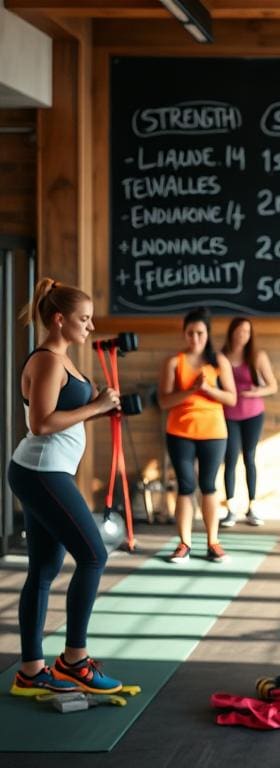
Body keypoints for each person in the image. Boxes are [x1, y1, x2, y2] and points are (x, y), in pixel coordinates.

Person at [7, 278, 124, 696]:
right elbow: (39, 424)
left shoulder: (65, 359)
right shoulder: (48, 361)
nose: (90, 326)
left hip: (49, 471)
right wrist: (95, 405)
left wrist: (101, 407)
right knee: (93, 555)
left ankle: (31, 670)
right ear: (60, 320)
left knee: (43, 569)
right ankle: (74, 660)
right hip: (41, 472)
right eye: (84, 319)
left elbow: (65, 415)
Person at [158, 308, 236, 564]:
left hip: (214, 432)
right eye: (190, 333)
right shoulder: (173, 362)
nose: (195, 338)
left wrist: (208, 388)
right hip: (180, 432)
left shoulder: (219, 362)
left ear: (207, 334)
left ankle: (213, 542)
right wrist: (191, 389)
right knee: (185, 486)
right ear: (184, 334)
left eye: (200, 333)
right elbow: (164, 401)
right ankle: (184, 544)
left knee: (209, 486)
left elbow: (231, 398)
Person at [220, 317, 277, 528]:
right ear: (232, 332)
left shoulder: (257, 356)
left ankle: (252, 507)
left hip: (253, 414)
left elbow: (273, 386)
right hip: (228, 415)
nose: (242, 335)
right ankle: (230, 509)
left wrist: (255, 392)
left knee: (250, 458)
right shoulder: (222, 356)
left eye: (246, 331)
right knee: (230, 459)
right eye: (239, 331)